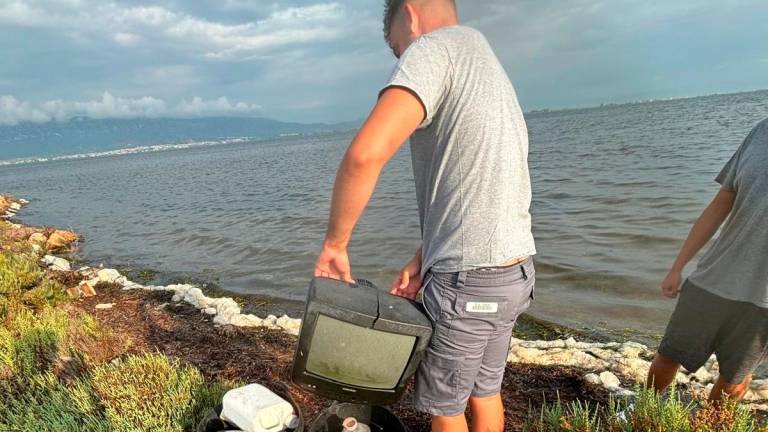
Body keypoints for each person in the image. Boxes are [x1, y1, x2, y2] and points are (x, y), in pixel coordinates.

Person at [313, 0, 536, 430]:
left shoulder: (432, 49)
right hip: (516, 272)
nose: (402, 58)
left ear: (411, 15)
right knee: (483, 392)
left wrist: (334, 245)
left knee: (446, 408)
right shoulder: (484, 59)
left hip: (469, 281)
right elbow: (482, 190)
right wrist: (424, 255)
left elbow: (364, 156)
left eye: (398, 49)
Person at [647, 119, 768, 402]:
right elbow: (721, 202)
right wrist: (678, 266)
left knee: (734, 378)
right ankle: (646, 414)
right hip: (713, 278)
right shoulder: (760, 132)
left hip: (764, 300)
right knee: (668, 355)